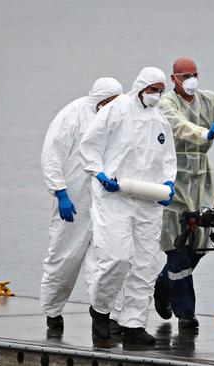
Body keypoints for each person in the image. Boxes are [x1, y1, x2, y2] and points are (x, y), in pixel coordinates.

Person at [79, 67, 177, 346]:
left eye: (161, 90)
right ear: (141, 87)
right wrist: (98, 173)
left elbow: (168, 159)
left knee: (145, 265)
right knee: (117, 258)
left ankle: (133, 323)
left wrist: (169, 184)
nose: (157, 95)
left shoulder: (160, 121)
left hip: (148, 200)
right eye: (153, 89)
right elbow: (90, 144)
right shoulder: (116, 109)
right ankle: (100, 309)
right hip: (114, 197)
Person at [154, 57, 214, 329]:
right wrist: (207, 133)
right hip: (173, 176)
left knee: (200, 243)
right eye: (185, 75)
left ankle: (164, 283)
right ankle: (185, 312)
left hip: (201, 177)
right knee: (176, 245)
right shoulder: (166, 104)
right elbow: (179, 127)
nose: (191, 79)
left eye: (195, 74)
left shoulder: (208, 99)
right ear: (174, 78)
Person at [39, 77, 122, 333]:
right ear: (100, 100)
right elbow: (51, 153)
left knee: (107, 259)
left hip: (106, 198)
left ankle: (105, 312)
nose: (114, 106)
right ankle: (53, 310)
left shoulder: (117, 117)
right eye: (110, 102)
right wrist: (60, 192)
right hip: (74, 198)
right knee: (64, 256)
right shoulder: (72, 114)